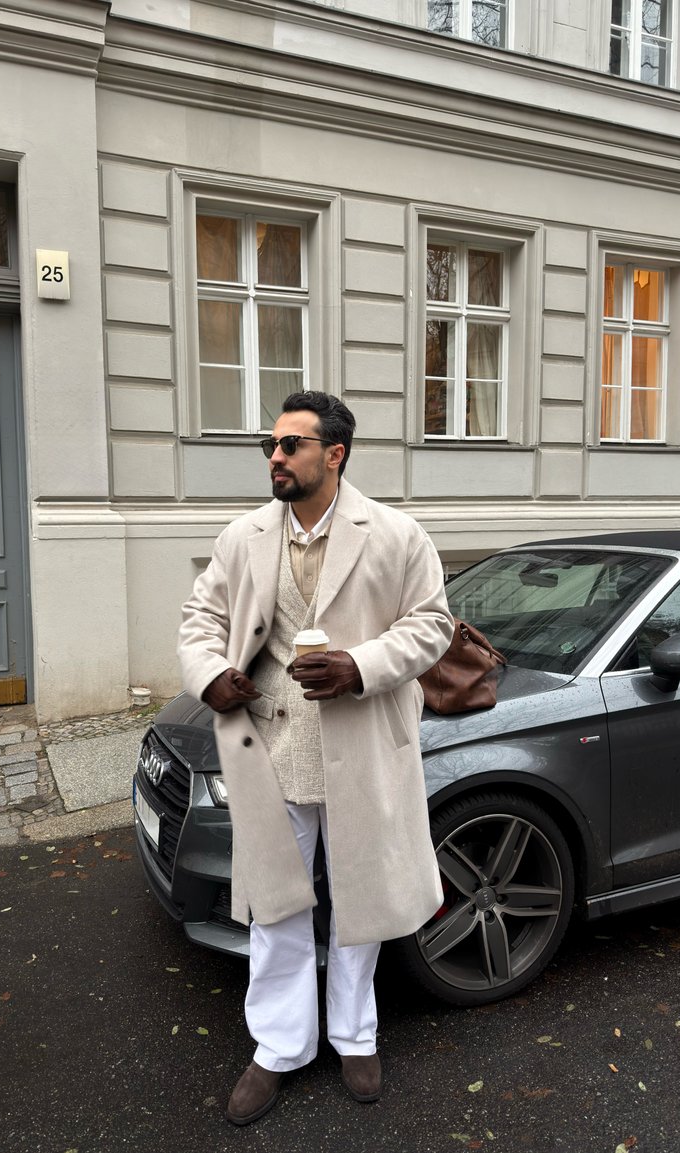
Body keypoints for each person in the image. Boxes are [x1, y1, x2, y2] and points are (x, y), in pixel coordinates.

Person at [178, 391, 453, 1125]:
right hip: (271, 747)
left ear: (334, 454)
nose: (275, 456)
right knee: (275, 902)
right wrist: (209, 672)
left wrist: (360, 665)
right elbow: (200, 617)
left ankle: (355, 1034)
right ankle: (279, 1046)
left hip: (361, 744)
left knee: (360, 892)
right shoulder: (243, 537)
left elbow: (432, 624)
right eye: (272, 444)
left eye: (291, 445)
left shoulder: (395, 533)